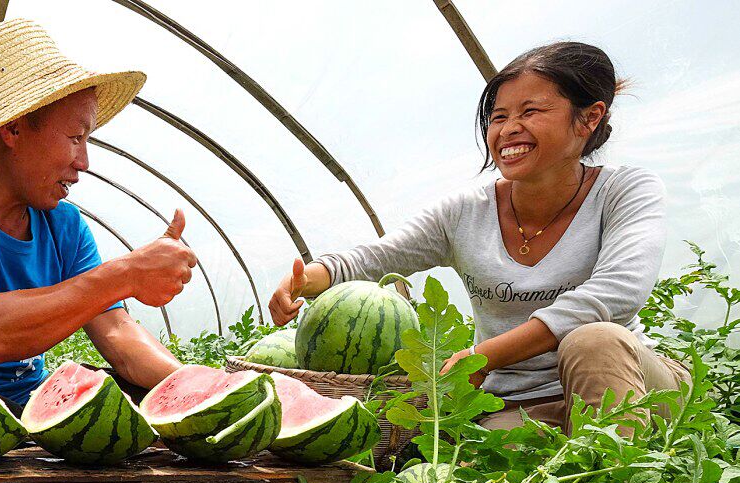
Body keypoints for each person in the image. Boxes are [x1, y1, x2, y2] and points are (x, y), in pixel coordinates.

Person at [268, 41, 688, 431]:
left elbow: (614, 294)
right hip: (517, 403)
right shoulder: (466, 211)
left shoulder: (626, 190)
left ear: (590, 118)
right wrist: (307, 279)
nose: (508, 130)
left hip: (629, 385)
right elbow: (372, 260)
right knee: (464, 464)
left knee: (594, 339)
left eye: (531, 112)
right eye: (499, 116)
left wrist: (484, 356)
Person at [0, 19, 194, 415]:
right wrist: (125, 275)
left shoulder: (65, 227)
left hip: (30, 413)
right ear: (12, 128)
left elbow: (115, 331)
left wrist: (197, 387)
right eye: (75, 138)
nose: (85, 162)